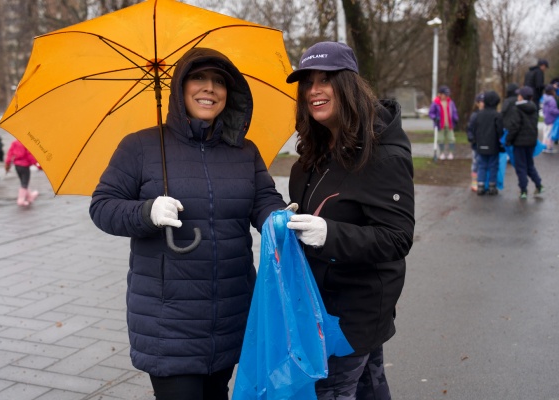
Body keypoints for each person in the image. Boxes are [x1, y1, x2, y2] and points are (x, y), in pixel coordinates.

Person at [89, 47, 286, 400]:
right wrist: (146, 212)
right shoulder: (141, 147)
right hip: (169, 323)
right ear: (179, 89)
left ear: (231, 93)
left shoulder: (244, 151)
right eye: (198, 78)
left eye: (219, 82)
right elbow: (103, 207)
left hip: (230, 312)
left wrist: (280, 219)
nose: (209, 88)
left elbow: (263, 201)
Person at [284, 41, 415, 400]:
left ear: (348, 85)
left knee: (334, 391)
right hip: (321, 304)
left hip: (353, 312)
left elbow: (397, 237)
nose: (314, 90)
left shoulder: (382, 154)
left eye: (326, 80)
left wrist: (328, 233)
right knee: (369, 387)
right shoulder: (316, 149)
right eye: (308, 82)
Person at [504, 86, 543, 199]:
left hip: (519, 143)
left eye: (518, 95)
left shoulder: (517, 109)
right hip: (531, 142)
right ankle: (539, 185)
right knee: (530, 165)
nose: (517, 96)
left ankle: (523, 190)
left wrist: (508, 140)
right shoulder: (534, 108)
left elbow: (515, 127)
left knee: (520, 166)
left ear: (521, 96)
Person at [468, 91, 503, 196]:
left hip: (481, 144)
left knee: (481, 165)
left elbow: (473, 128)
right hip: (493, 145)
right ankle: (492, 186)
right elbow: (500, 130)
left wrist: (474, 140)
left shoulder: (478, 115)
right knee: (493, 165)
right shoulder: (497, 115)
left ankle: (480, 185)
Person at [4, 139, 41, 206]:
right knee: (24, 183)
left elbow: (10, 153)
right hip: (25, 166)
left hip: (17, 166)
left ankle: (30, 196)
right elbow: (30, 157)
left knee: (23, 181)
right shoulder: (27, 143)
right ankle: (21, 200)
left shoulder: (14, 142)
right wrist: (39, 166)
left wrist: (7, 164)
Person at [428, 85, 459, 160]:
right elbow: (431, 113)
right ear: (440, 94)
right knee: (440, 139)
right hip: (440, 125)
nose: (446, 96)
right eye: (445, 94)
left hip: (449, 124)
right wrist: (435, 118)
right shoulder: (436, 103)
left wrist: (456, 118)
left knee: (451, 138)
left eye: (447, 95)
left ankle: (451, 153)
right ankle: (441, 153)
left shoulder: (450, 102)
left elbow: (454, 111)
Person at [467, 92, 484, 191]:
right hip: (476, 144)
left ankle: (482, 181)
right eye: (481, 101)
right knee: (475, 163)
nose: (483, 103)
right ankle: (474, 182)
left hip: (485, 143)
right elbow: (470, 128)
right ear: (477, 103)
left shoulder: (486, 113)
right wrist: (471, 138)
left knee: (482, 163)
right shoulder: (475, 115)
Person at [541, 84, 559, 153]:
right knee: (550, 134)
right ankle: (548, 147)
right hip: (551, 119)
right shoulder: (552, 100)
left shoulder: (545, 98)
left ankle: (544, 146)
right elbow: (552, 110)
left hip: (546, 118)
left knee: (545, 133)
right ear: (552, 91)